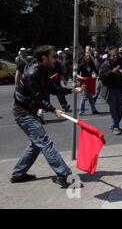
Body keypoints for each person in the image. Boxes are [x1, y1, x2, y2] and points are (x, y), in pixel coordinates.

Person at [11, 45, 84, 188]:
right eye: (54, 57)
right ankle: (64, 175)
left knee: (36, 144)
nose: (56, 60)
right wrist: (53, 109)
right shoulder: (33, 73)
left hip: (29, 111)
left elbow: (53, 89)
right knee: (44, 142)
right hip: (23, 112)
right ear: (44, 58)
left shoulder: (44, 71)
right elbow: (38, 99)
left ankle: (18, 174)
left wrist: (73, 90)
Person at [99, 49, 122, 135]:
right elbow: (101, 76)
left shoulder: (120, 63)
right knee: (114, 109)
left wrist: (121, 72)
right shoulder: (105, 64)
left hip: (119, 89)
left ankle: (114, 125)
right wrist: (112, 72)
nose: (115, 57)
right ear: (109, 57)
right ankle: (116, 127)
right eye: (113, 56)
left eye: (116, 55)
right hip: (110, 90)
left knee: (120, 109)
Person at [78, 52, 100, 116]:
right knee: (84, 97)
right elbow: (76, 73)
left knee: (90, 97)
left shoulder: (91, 64)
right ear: (84, 57)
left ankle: (94, 110)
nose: (88, 58)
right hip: (84, 82)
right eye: (86, 56)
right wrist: (81, 77)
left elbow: (96, 71)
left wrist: (98, 75)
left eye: (89, 56)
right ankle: (81, 111)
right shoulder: (81, 65)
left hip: (90, 82)